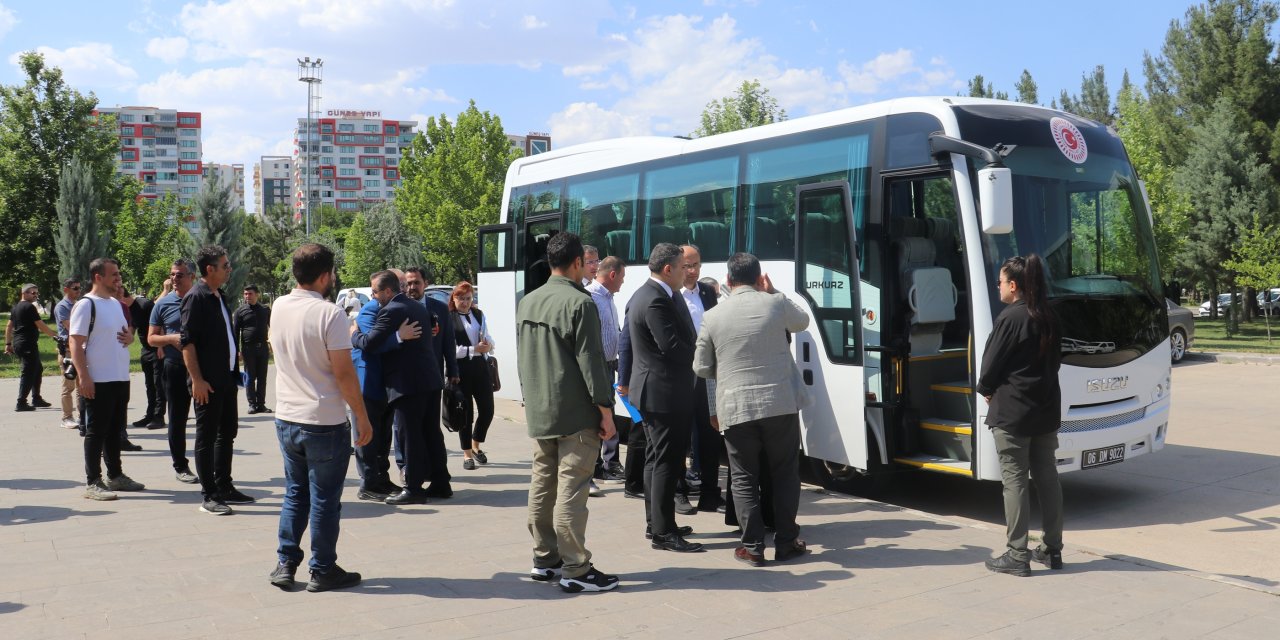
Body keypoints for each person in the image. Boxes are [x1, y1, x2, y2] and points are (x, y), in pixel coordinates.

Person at [516, 231, 620, 593]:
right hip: (575, 412)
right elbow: (591, 362)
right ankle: (576, 568)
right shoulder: (581, 303)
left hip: (541, 410)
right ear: (577, 262)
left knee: (542, 484)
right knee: (572, 489)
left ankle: (545, 559)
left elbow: (523, 358)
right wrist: (605, 411)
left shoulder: (528, 301)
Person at [267, 243, 374, 592]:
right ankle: (323, 568)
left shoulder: (279, 305)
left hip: (287, 415)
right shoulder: (331, 314)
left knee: (295, 493)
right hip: (323, 418)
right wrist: (361, 415)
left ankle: (286, 563)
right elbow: (344, 373)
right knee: (325, 498)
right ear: (325, 275)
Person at [692, 252, 810, 566]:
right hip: (779, 405)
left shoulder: (713, 316)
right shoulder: (773, 302)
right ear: (759, 278)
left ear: (728, 280)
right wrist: (772, 291)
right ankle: (786, 542)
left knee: (743, 477)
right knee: (785, 473)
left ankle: (753, 547)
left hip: (736, 407)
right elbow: (803, 321)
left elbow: (701, 366)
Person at [978, 254, 1064, 577]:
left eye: (1000, 282)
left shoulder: (1010, 318)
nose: (997, 286)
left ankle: (1017, 554)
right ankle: (1052, 549)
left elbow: (988, 368)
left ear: (1013, 286)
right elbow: (1055, 364)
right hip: (1045, 410)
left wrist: (987, 389)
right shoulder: (1049, 315)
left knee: (1015, 481)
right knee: (1047, 477)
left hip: (1013, 414)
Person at [618, 242, 702, 553]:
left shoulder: (655, 294)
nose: (688, 272)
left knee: (656, 460)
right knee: (666, 462)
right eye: (683, 267)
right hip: (663, 394)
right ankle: (664, 533)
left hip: (657, 392)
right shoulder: (654, 300)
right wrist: (703, 354)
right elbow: (672, 347)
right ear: (668, 269)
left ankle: (658, 523)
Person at [352, 270, 441, 505]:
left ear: (387, 291)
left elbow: (370, 342)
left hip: (406, 383)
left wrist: (353, 335)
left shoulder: (390, 309)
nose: (372, 296)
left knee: (406, 436)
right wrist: (399, 337)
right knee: (420, 434)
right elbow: (375, 344)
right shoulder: (406, 306)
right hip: (403, 381)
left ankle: (411, 487)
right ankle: (373, 482)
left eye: (375, 291)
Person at [181, 246, 253, 515]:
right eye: (225, 265)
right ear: (209, 269)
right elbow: (187, 342)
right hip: (207, 383)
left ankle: (224, 486)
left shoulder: (218, 295)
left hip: (226, 379)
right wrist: (196, 379)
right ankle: (209, 495)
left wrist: (234, 351)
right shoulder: (195, 298)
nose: (229, 269)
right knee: (207, 437)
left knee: (227, 434)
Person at [69, 259, 146, 501]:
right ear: (98, 277)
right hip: (98, 379)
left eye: (119, 274)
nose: (118, 278)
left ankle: (115, 476)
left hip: (120, 377)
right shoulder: (85, 305)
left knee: (115, 430)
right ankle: (93, 482)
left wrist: (131, 340)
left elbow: (124, 336)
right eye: (113, 275)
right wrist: (84, 377)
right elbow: (75, 343)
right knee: (96, 431)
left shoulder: (115, 303)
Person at [402, 266, 458, 497]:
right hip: (409, 380)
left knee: (428, 431)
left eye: (416, 282)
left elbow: (448, 341)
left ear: (425, 283)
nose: (412, 287)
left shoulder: (439, 308)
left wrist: (453, 370)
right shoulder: (401, 308)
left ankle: (432, 483)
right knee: (416, 432)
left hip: (432, 379)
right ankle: (434, 481)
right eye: (408, 283)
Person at [677, 244, 723, 513]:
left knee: (710, 434)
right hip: (682, 375)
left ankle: (710, 493)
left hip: (706, 374)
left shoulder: (707, 292)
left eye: (696, 265)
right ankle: (679, 491)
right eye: (686, 266)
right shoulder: (671, 295)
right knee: (681, 436)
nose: (692, 271)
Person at [149, 260, 198, 485]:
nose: (175, 279)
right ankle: (180, 465)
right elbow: (151, 338)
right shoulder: (163, 304)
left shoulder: (202, 300)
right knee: (177, 419)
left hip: (202, 368)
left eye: (180, 275)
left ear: (192, 277)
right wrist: (171, 339)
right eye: (172, 275)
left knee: (207, 420)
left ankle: (208, 465)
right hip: (175, 367)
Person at [585, 256, 625, 484]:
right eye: (622, 277)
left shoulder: (609, 298)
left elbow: (613, 332)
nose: (622, 283)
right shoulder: (590, 297)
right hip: (596, 368)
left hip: (610, 366)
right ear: (612, 275)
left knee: (607, 416)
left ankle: (605, 467)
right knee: (595, 418)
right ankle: (589, 472)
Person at [448, 281, 495, 470]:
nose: (465, 302)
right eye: (461, 298)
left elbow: (488, 337)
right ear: (453, 298)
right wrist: (473, 349)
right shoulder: (449, 317)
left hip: (480, 367)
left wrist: (488, 344)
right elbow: (450, 350)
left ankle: (476, 444)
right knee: (465, 414)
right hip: (460, 370)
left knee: (488, 410)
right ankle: (467, 454)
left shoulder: (478, 314)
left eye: (468, 298)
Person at [6, 283, 58, 411]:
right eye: (33, 293)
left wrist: (8, 344)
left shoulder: (16, 307)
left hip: (20, 344)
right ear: (24, 293)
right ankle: (21, 402)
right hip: (27, 344)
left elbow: (9, 326)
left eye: (37, 293)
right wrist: (56, 336)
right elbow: (41, 325)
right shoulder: (29, 307)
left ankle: (36, 398)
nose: (36, 295)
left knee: (37, 369)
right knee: (28, 371)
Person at [129, 284, 165, 429]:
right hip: (146, 349)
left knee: (159, 384)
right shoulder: (127, 309)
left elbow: (159, 322)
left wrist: (161, 346)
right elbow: (132, 329)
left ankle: (158, 416)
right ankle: (150, 414)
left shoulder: (144, 304)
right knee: (149, 385)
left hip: (157, 348)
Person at [233, 284, 272, 414]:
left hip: (263, 348)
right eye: (245, 294)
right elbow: (235, 332)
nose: (247, 296)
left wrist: (272, 344)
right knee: (250, 377)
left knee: (262, 377)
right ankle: (252, 404)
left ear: (257, 294)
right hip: (248, 349)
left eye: (250, 294)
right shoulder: (240, 311)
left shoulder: (265, 309)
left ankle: (261, 404)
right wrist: (237, 350)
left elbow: (272, 328)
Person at [54, 278, 83, 429]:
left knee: (81, 385)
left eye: (79, 288)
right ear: (66, 289)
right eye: (75, 288)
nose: (78, 291)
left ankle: (81, 415)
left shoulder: (78, 305)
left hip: (79, 349)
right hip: (67, 351)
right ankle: (66, 417)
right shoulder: (63, 306)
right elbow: (72, 327)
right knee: (68, 385)